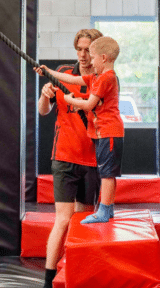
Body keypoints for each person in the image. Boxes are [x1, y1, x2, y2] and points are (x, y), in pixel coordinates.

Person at [37, 29, 103, 288]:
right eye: (79, 49)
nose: (83, 55)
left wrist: (80, 104)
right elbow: (44, 110)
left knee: (82, 220)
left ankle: (75, 273)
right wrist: (45, 93)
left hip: (92, 159)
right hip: (64, 156)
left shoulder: (104, 77)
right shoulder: (62, 71)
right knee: (63, 219)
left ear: (97, 50)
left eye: (88, 49)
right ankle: (47, 283)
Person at [35, 36, 124, 225]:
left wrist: (71, 101)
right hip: (99, 136)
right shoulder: (97, 77)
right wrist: (48, 72)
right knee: (107, 174)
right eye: (81, 51)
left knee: (107, 175)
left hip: (108, 133)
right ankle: (107, 208)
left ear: (103, 58)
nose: (88, 60)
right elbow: (72, 78)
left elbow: (90, 104)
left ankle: (105, 209)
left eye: (91, 56)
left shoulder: (107, 78)